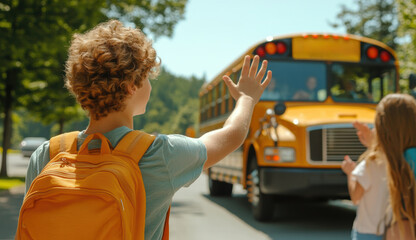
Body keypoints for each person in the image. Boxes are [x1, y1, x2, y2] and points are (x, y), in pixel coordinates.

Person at [24, 20, 272, 239]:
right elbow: (231, 136)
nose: (150, 87)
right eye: (147, 78)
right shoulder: (159, 154)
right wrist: (246, 99)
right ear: (132, 86)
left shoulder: (47, 155)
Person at [342, 94, 416, 240]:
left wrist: (351, 173)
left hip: (373, 232)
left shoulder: (376, 161)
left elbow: (356, 196)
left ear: (382, 127)